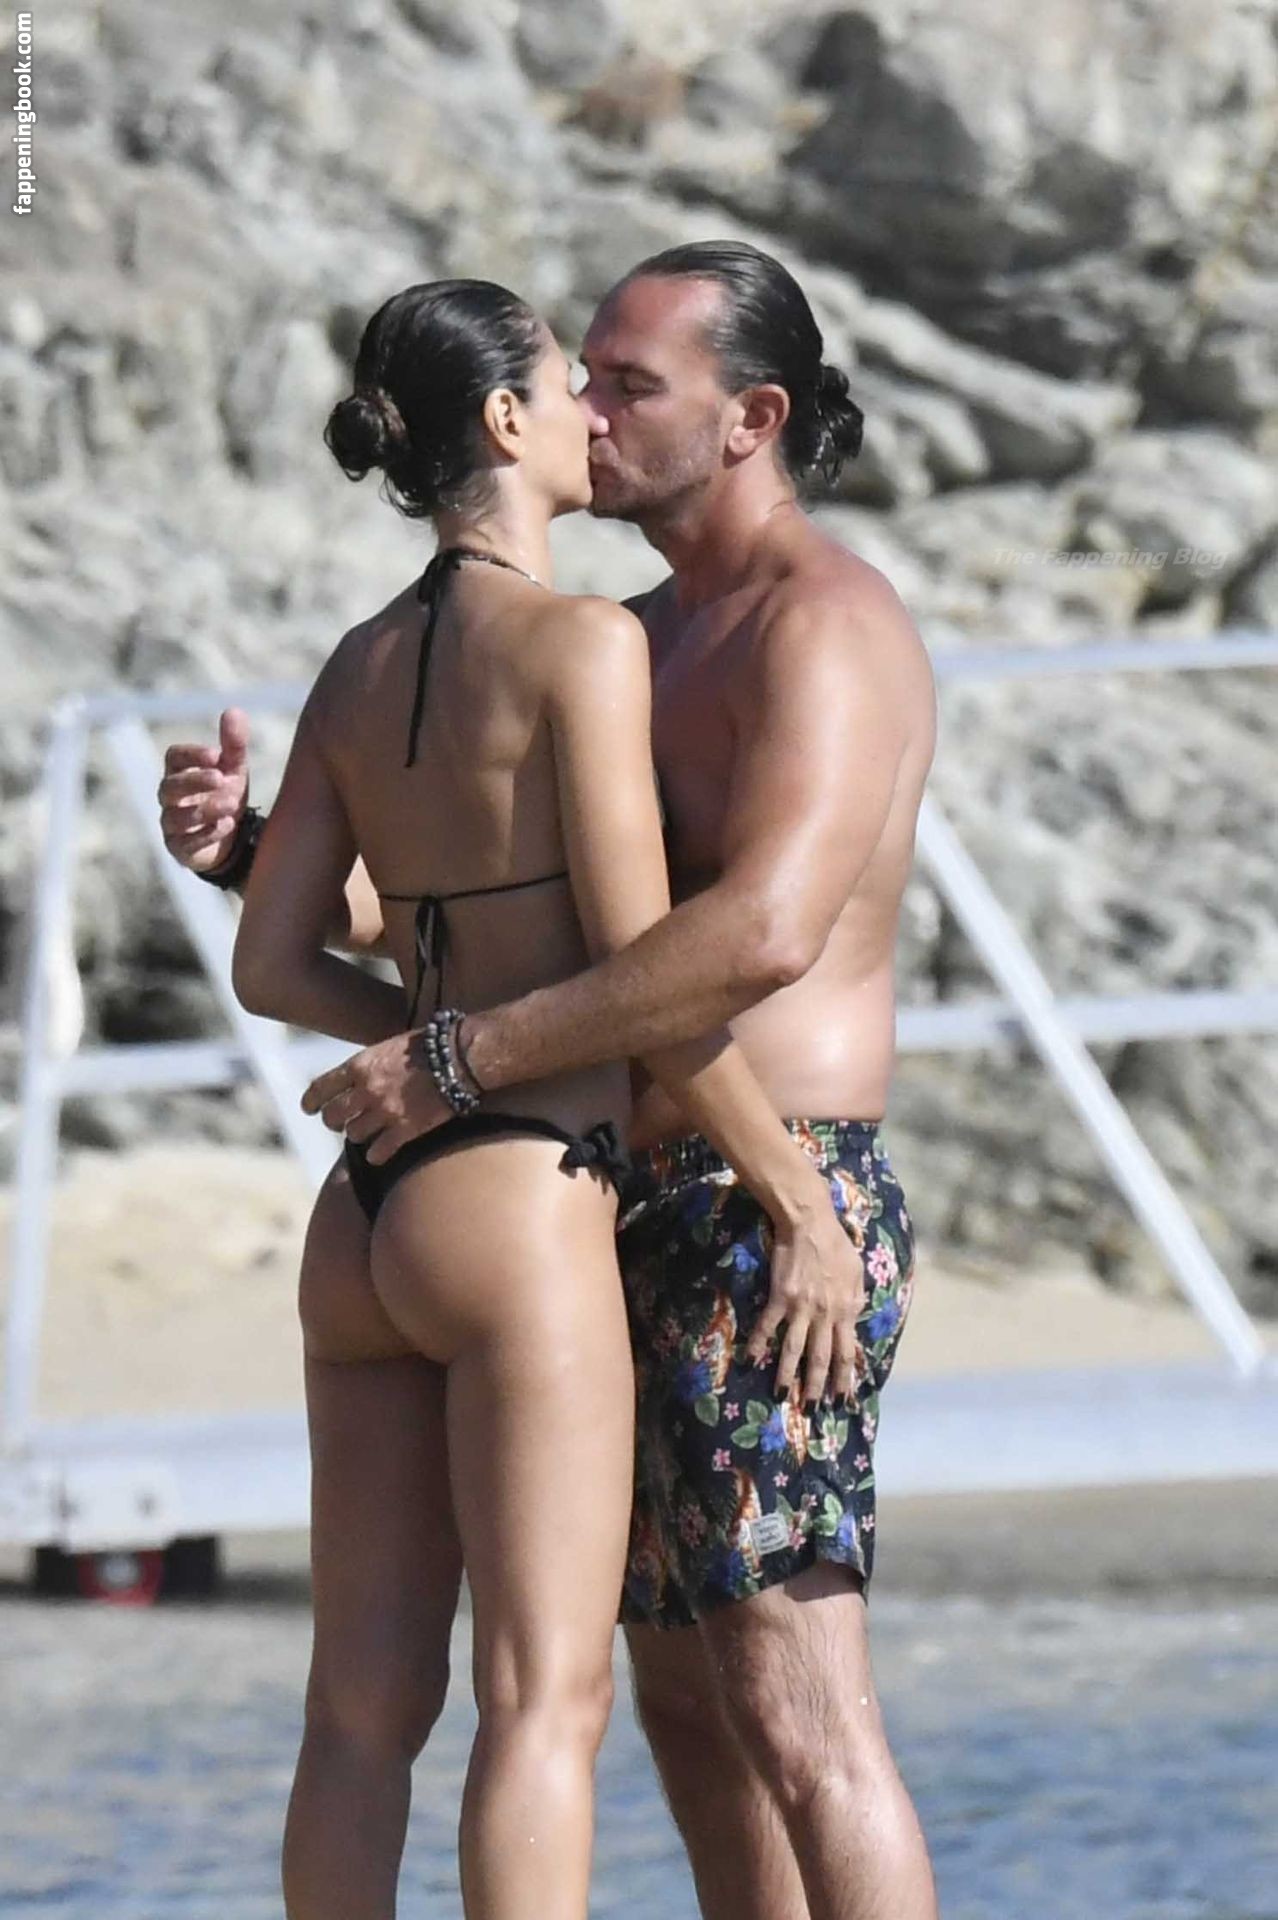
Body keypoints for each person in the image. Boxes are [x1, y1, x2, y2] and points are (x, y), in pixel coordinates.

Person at [161, 243, 939, 1920]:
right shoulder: (610, 638)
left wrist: (455, 1049)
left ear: (752, 420)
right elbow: (544, 924)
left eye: (630, 383)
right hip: (571, 1193)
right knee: (652, 1711)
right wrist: (268, 864)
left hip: (736, 1191)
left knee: (789, 1707)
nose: (591, 407)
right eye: (576, 375)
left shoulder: (822, 623)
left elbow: (747, 938)